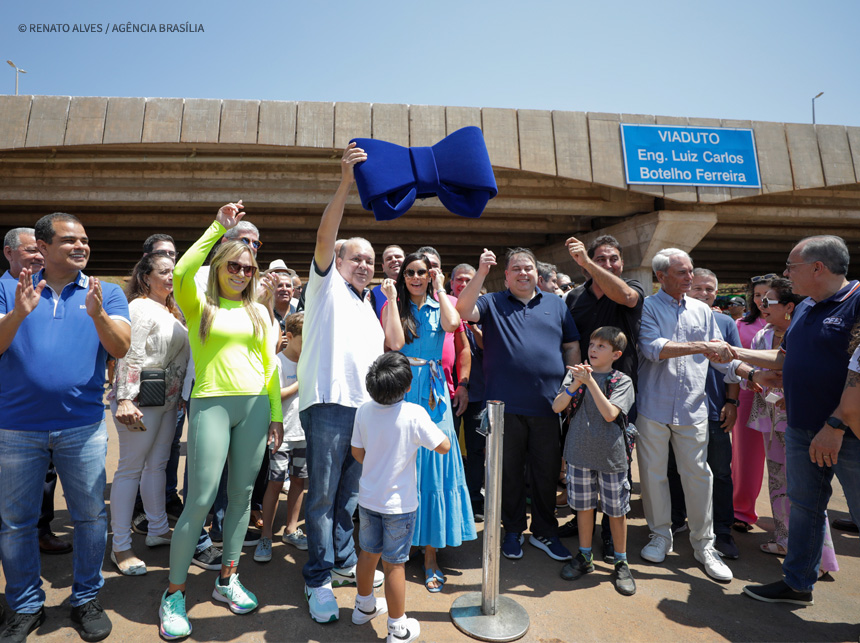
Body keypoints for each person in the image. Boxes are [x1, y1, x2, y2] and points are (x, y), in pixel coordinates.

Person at [0, 212, 130, 642]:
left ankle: (86, 599)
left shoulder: (105, 292)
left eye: (85, 241)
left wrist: (97, 316)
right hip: (16, 428)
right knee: (17, 524)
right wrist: (17, 314)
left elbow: (121, 346)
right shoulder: (6, 289)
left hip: (83, 427)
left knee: (91, 517)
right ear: (43, 246)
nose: (81, 247)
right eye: (70, 240)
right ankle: (24, 605)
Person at [158, 201, 283, 640]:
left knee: (242, 495)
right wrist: (218, 228)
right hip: (211, 403)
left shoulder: (261, 312)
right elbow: (180, 271)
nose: (242, 274)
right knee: (200, 497)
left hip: (253, 408)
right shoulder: (200, 304)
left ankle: (227, 579)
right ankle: (174, 592)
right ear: (220, 266)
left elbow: (269, 366)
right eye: (235, 266)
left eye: (248, 269)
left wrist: (276, 414)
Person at [727, 236, 860, 605]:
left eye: (791, 266)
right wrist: (734, 351)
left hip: (845, 433)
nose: (786, 274)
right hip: (802, 428)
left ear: (818, 267)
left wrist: (834, 426)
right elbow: (783, 360)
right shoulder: (804, 308)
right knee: (803, 507)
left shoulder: (857, 302)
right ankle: (798, 583)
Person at [297, 143, 386, 624]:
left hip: (364, 411)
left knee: (348, 496)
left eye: (371, 259)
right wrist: (346, 183)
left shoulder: (367, 305)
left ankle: (343, 559)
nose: (365, 264)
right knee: (323, 498)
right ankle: (318, 578)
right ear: (337, 258)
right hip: (329, 405)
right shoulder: (325, 284)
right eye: (357, 257)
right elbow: (324, 233)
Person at [456, 247, 580, 562]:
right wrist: (481, 272)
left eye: (528, 268)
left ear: (537, 274)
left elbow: (571, 346)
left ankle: (544, 531)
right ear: (506, 275)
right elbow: (462, 309)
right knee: (508, 474)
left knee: (546, 473)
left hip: (548, 407)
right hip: (504, 408)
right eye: (516, 269)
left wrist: (570, 390)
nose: (523, 273)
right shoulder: (492, 302)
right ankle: (512, 530)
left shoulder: (556, 304)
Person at [636, 248, 736, 583]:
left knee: (698, 475)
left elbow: (721, 354)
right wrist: (701, 347)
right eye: (682, 272)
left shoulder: (702, 310)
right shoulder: (646, 307)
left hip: (693, 407)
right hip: (654, 405)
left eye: (690, 271)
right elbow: (654, 348)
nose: (690, 278)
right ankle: (660, 535)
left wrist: (749, 373)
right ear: (661, 277)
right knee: (653, 475)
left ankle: (704, 544)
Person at [382, 252, 476, 591]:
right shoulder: (395, 305)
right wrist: (393, 300)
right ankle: (401, 548)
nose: (416, 277)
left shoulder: (442, 303)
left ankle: (432, 554)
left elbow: (453, 325)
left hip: (436, 394)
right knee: (406, 467)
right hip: (405, 388)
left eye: (422, 271)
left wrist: (439, 287)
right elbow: (393, 343)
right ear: (403, 275)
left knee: (437, 466)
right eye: (410, 272)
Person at [351, 351, 451, 643]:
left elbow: (358, 452)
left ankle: (363, 606)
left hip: (368, 499)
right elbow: (443, 446)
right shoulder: (414, 414)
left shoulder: (363, 411)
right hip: (400, 505)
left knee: (368, 554)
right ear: (407, 386)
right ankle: (397, 628)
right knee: (394, 564)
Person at [746, 278, 838, 575]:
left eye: (768, 301)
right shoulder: (761, 337)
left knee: (806, 492)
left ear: (790, 307)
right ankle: (784, 540)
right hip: (770, 421)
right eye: (760, 300)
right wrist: (757, 381)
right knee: (777, 485)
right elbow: (752, 378)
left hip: (804, 422)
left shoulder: (808, 337)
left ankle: (820, 561)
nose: (761, 305)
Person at [563, 235, 644, 557]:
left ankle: (611, 535)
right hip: (581, 389)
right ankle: (582, 519)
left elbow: (624, 296)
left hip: (617, 392)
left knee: (616, 465)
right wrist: (571, 381)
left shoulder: (632, 286)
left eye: (613, 259)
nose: (608, 264)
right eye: (601, 258)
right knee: (582, 459)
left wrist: (588, 263)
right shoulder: (574, 298)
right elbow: (568, 342)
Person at [109, 253, 190, 576]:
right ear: (146, 277)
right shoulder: (140, 308)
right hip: (141, 402)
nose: (171, 277)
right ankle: (120, 546)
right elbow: (129, 352)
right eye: (164, 272)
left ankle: (157, 528)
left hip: (166, 403)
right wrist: (126, 399)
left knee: (156, 467)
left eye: (174, 272)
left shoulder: (169, 309)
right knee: (130, 469)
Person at [2, 227, 72, 557]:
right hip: (10, 410)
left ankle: (42, 530)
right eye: (30, 250)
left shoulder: (51, 288)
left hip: (49, 411)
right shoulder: (3, 289)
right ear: (9, 253)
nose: (38, 256)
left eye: (40, 249)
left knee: (46, 475)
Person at [552, 327, 636, 596]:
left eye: (601, 346)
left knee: (616, 511)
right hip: (578, 455)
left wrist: (589, 384)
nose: (593, 349)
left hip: (611, 457)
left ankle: (621, 561)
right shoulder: (575, 375)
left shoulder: (622, 380)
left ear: (616, 354)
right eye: (592, 343)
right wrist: (577, 383)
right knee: (584, 508)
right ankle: (585, 556)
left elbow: (610, 414)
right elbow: (556, 406)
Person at [667, 268, 741, 559]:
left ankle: (722, 531)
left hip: (715, 412)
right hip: (680, 412)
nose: (705, 294)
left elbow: (734, 367)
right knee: (675, 470)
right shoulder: (673, 318)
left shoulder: (725, 322)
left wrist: (731, 403)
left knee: (720, 472)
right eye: (698, 288)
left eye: (710, 289)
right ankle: (675, 521)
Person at [255, 312, 309, 562]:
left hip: (304, 434)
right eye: (303, 337)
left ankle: (291, 529)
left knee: (299, 481)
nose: (308, 342)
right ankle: (266, 535)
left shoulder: (310, 360)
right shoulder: (277, 362)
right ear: (289, 336)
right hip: (282, 434)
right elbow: (274, 395)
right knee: (275, 483)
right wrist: (301, 382)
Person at [731, 273, 776, 533]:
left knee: (785, 460)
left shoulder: (793, 323)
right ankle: (741, 511)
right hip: (749, 396)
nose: (762, 300)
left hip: (785, 401)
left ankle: (788, 521)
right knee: (746, 458)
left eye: (768, 295)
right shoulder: (740, 325)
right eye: (758, 295)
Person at [450, 263, 487, 520]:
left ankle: (474, 499)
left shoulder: (484, 310)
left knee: (477, 449)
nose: (463, 284)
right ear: (451, 283)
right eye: (459, 280)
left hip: (479, 390)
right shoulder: (443, 306)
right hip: (448, 390)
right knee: (447, 446)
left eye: (468, 280)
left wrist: (473, 327)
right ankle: (451, 498)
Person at [372, 245, 405, 318]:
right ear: (383, 267)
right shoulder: (375, 292)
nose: (394, 260)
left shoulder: (415, 287)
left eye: (398, 256)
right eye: (389, 259)